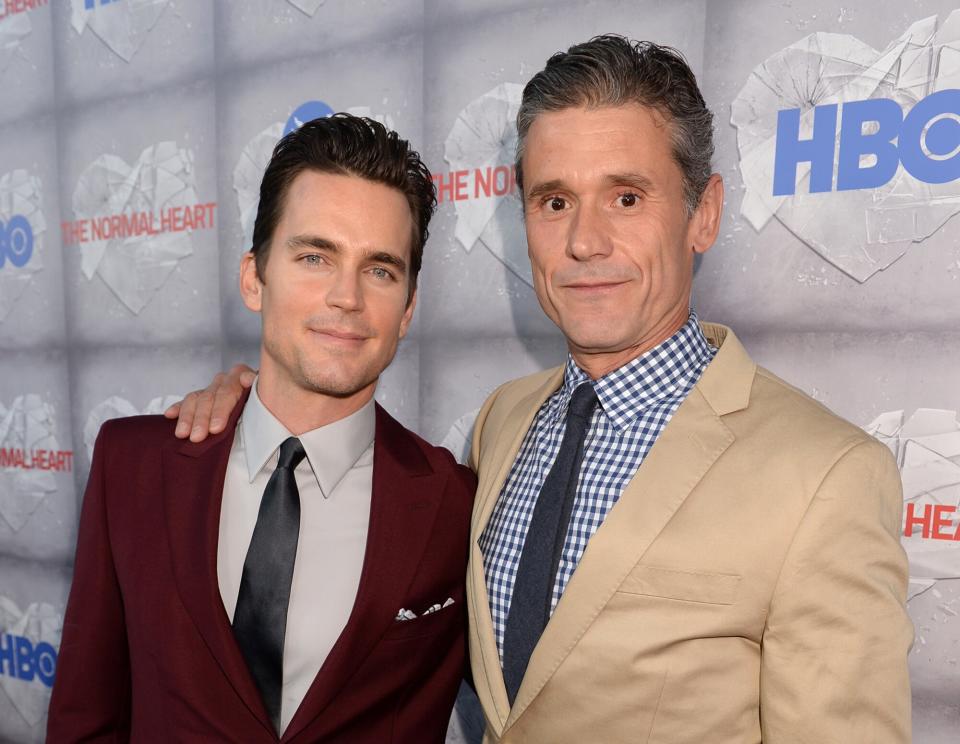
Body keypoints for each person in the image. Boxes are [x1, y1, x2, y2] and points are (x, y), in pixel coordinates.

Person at [170, 37, 913, 743]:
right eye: (555, 202)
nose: (585, 241)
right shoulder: (504, 421)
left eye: (626, 198)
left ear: (704, 213)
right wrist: (255, 408)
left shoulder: (828, 477)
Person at [48, 115, 475, 743]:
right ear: (255, 277)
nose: (346, 297)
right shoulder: (132, 465)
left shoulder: (457, 503)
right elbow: (86, 715)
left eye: (380, 270)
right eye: (314, 256)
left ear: (408, 308)